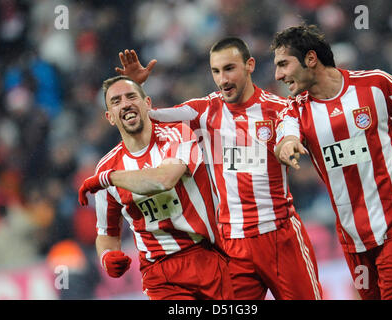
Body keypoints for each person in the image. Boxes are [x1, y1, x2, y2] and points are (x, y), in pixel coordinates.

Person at [115, 38, 322, 300]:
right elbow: (152, 116)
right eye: (216, 71)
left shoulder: (277, 109)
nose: (222, 79)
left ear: (250, 65)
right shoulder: (203, 111)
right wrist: (137, 87)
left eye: (229, 69)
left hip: (280, 236)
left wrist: (287, 144)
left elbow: (289, 133)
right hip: (233, 246)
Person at [272, 24, 392, 300]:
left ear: (311, 59)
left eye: (284, 64)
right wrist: (286, 145)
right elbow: (286, 135)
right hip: (353, 240)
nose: (278, 75)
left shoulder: (377, 84)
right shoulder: (295, 110)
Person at [78, 75, 235, 300]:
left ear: (148, 104)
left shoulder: (178, 134)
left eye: (131, 96)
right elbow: (106, 233)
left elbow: (164, 179)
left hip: (206, 258)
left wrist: (109, 178)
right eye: (116, 101)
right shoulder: (106, 167)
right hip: (159, 274)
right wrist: (107, 256)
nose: (125, 103)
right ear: (110, 117)